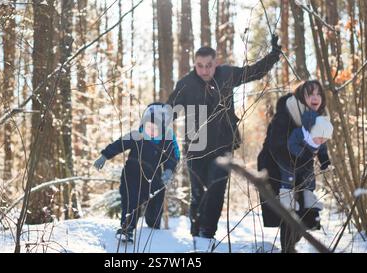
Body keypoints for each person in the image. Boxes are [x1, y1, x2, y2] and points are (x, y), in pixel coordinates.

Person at [167, 34, 282, 249]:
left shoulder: (226, 75)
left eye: (208, 66)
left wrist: (274, 55)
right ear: (195, 65)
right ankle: (196, 235)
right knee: (199, 194)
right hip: (195, 148)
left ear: (215, 63)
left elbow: (254, 72)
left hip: (223, 146)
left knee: (217, 188)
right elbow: (169, 109)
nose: (204, 71)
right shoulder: (185, 84)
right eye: (200, 66)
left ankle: (207, 234)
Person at [257, 80, 332, 253]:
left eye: (318, 94)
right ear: (300, 96)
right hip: (276, 164)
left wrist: (324, 160)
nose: (315, 97)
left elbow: (321, 142)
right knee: (289, 209)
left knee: (305, 211)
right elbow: (276, 144)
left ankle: (292, 243)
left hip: (302, 163)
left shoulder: (320, 117)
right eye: (310, 94)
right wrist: (293, 161)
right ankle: (288, 249)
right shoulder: (286, 112)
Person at [93, 102, 180, 243]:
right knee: (131, 201)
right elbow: (119, 144)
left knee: (156, 204)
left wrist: (169, 170)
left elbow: (174, 156)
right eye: (148, 126)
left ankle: (154, 226)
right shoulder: (136, 135)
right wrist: (104, 156)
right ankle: (127, 229)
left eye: (155, 128)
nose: (151, 130)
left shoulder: (167, 140)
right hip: (132, 175)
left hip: (155, 177)